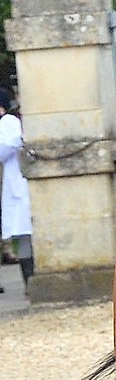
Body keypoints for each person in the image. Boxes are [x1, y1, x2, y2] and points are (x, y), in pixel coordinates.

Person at [0, 87, 33, 286]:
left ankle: (30, 279)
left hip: (20, 184)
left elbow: (3, 149)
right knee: (23, 234)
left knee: (24, 234)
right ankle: (28, 278)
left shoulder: (8, 122)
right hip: (17, 184)